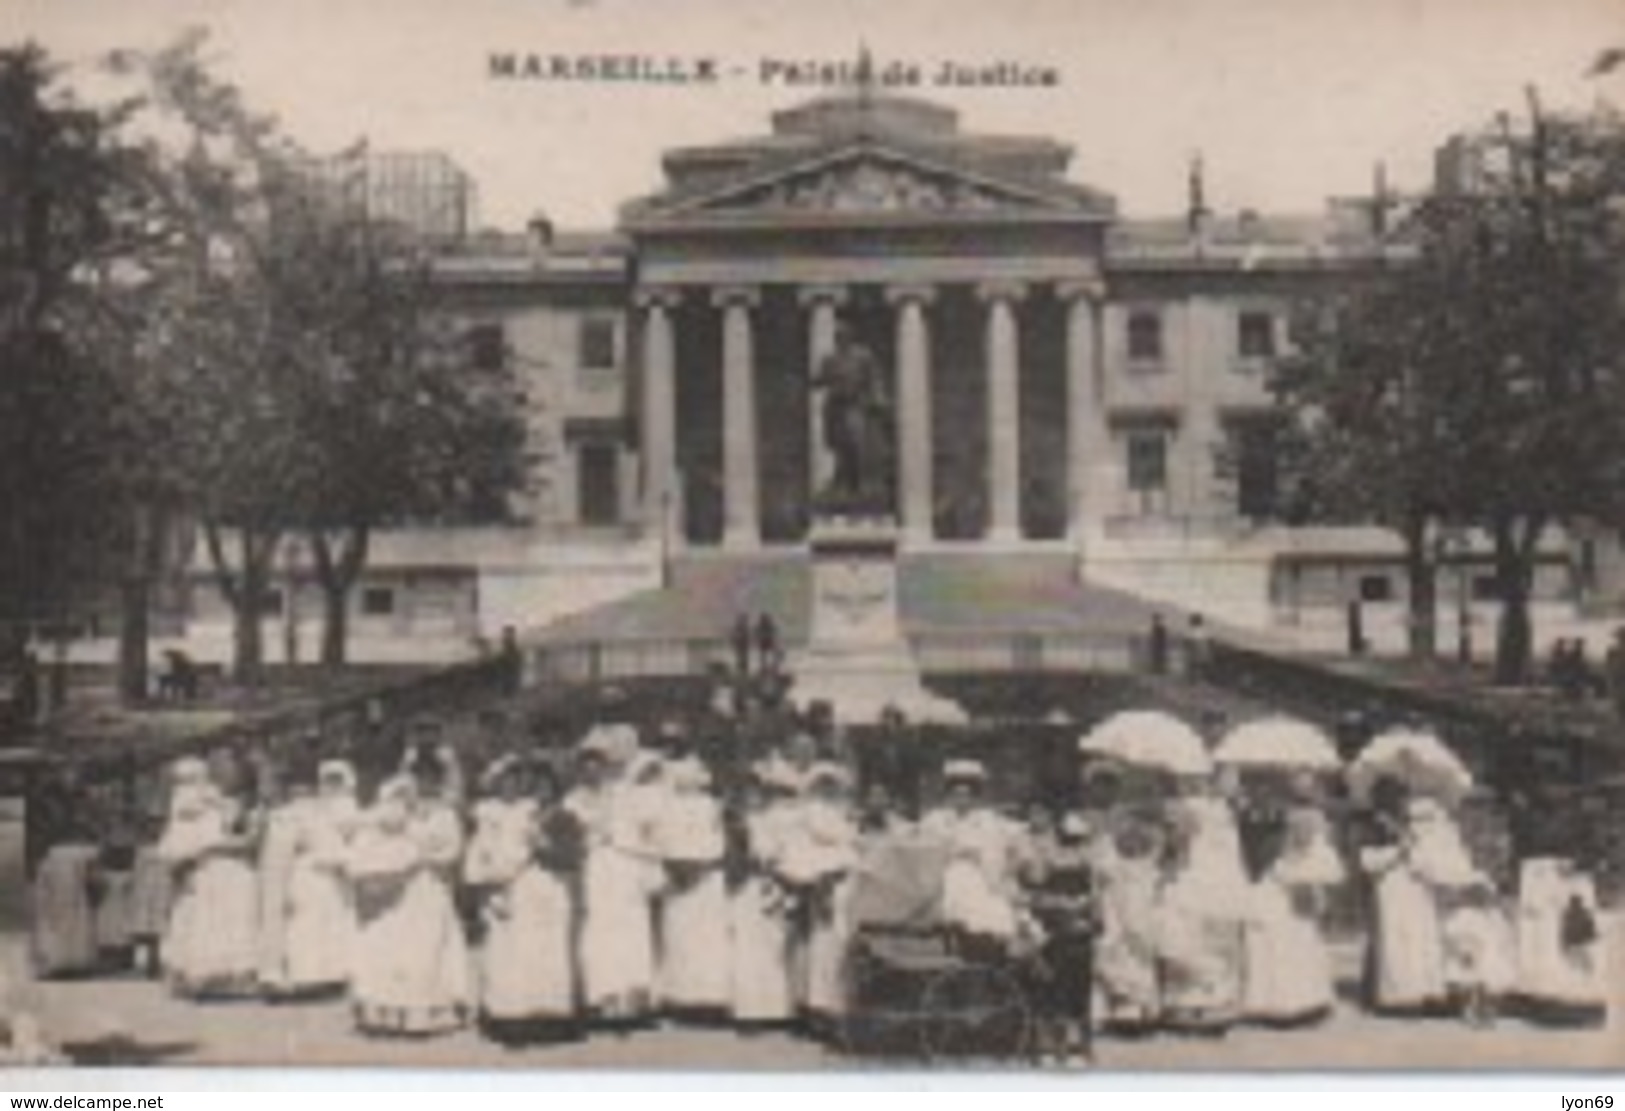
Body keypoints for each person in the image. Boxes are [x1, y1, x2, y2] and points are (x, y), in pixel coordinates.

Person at [345, 753, 471, 1037]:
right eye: (418, 777)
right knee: (400, 949)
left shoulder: (446, 813)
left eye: (430, 778)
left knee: (430, 948)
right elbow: (375, 836)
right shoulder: (399, 810)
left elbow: (453, 850)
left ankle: (429, 1012)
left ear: (439, 781)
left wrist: (424, 857)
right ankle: (392, 1012)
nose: (424, 784)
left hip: (432, 885)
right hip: (401, 890)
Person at [465, 756, 577, 1044]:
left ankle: (549, 1015)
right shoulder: (498, 817)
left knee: (546, 951)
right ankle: (511, 1016)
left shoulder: (548, 815)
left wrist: (542, 847)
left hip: (548, 887)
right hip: (514, 888)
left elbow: (568, 856)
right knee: (513, 952)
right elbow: (485, 857)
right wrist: (490, 885)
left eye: (518, 781)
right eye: (507, 782)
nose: (513, 787)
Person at [565, 727, 662, 1024]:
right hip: (595, 868)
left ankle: (633, 998)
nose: (593, 772)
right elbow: (570, 839)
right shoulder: (571, 801)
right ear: (580, 770)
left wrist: (644, 861)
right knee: (600, 930)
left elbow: (646, 828)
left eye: (598, 765)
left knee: (632, 928)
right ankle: (603, 997)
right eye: (586, 766)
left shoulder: (624, 794)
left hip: (625, 865)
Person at [155, 751, 263, 1000]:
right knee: (206, 922)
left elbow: (246, 839)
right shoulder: (192, 811)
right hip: (207, 869)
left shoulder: (233, 805)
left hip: (230, 867)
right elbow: (180, 844)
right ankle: (204, 975)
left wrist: (215, 843)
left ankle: (230, 977)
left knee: (231, 921)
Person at [1358, 789, 1476, 1015]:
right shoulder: (1376, 829)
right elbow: (1368, 862)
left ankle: (1425, 992)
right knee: (1396, 941)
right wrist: (1398, 851)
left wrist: (1419, 857)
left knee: (1421, 940)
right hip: (1391, 887)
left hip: (1417, 888)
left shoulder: (1422, 831)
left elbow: (1431, 861)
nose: (1418, 822)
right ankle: (1399, 996)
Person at [1155, 783, 1251, 1033]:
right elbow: (1179, 845)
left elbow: (1234, 846)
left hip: (1221, 876)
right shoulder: (1186, 806)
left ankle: (1216, 1002)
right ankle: (1188, 1005)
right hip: (1198, 874)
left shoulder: (1227, 808)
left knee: (1216, 937)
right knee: (1189, 934)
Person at [1241, 806, 1343, 1026]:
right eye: (1298, 830)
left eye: (1308, 829)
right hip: (1275, 902)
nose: (1302, 834)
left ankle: (1307, 1000)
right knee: (1281, 943)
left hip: (1297, 905)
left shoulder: (1320, 852)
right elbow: (1281, 876)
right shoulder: (1282, 854)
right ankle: (1279, 1004)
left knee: (1303, 944)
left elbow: (1332, 875)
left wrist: (1310, 884)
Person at [653, 753, 730, 1020]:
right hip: (676, 879)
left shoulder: (711, 805)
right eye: (681, 777)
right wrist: (674, 866)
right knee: (678, 937)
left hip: (705, 877)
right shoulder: (666, 804)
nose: (687, 781)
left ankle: (708, 1000)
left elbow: (718, 838)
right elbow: (660, 838)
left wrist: (701, 866)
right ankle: (678, 998)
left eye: (692, 777)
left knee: (706, 939)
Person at [1019, 809, 1097, 1065]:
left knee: (1080, 990)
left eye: (1076, 839)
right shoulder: (1046, 857)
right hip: (1055, 932)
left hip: (1079, 932)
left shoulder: (1088, 860)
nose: (1072, 843)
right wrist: (1062, 905)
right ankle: (1056, 1047)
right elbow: (1036, 895)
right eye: (1068, 838)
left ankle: (1083, 1047)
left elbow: (1095, 896)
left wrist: (1083, 909)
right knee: (1055, 990)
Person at [919, 759, 1024, 945]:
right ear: (948, 795)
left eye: (967, 795)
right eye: (956, 794)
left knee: (987, 901)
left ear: (975, 797)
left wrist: (979, 857)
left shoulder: (987, 820)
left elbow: (1001, 847)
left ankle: (986, 935)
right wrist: (949, 854)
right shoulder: (935, 820)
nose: (961, 800)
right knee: (955, 882)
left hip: (979, 875)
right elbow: (924, 849)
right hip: (943, 875)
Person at [727, 767, 796, 1029]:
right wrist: (750, 861)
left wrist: (776, 866)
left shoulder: (774, 820)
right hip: (745, 887)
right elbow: (733, 858)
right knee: (746, 947)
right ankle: (748, 1012)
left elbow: (784, 849)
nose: (752, 798)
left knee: (773, 947)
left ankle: (776, 1010)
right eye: (747, 793)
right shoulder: (736, 822)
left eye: (757, 792)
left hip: (772, 884)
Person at [1091, 809, 1165, 1031]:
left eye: (1137, 843)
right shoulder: (1113, 868)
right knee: (1116, 959)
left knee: (1137, 961)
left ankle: (1137, 1010)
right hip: (1119, 921)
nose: (1132, 846)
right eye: (1128, 842)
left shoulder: (1147, 870)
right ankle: (1117, 1010)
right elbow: (1106, 894)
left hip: (1137, 921)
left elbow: (1150, 894)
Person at [1515, 856, 1608, 1026]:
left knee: (1576, 960)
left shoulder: (1577, 885)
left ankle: (1577, 991)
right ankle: (1566, 993)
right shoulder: (1561, 883)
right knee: (1564, 958)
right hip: (1564, 927)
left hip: (1571, 927)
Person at [1441, 876, 1516, 1027]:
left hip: (1490, 956)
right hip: (1471, 954)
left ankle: (1487, 1011)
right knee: (1471, 985)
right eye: (1480, 895)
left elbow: (1503, 933)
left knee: (1489, 986)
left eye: (1488, 896)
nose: (1484, 900)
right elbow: (1453, 933)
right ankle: (1470, 1011)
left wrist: (1505, 947)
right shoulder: (1465, 914)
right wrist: (1463, 950)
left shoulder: (1494, 915)